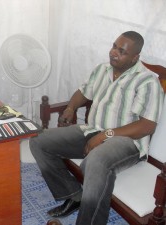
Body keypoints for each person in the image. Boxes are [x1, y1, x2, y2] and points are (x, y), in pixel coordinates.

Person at [29, 31, 164, 225]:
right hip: (92, 130)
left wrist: (105, 135)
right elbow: (83, 93)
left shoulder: (147, 81)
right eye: (114, 46)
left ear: (136, 57)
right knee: (38, 141)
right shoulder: (102, 69)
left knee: (96, 161)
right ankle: (73, 195)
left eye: (122, 52)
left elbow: (147, 125)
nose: (114, 53)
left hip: (127, 142)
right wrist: (70, 107)